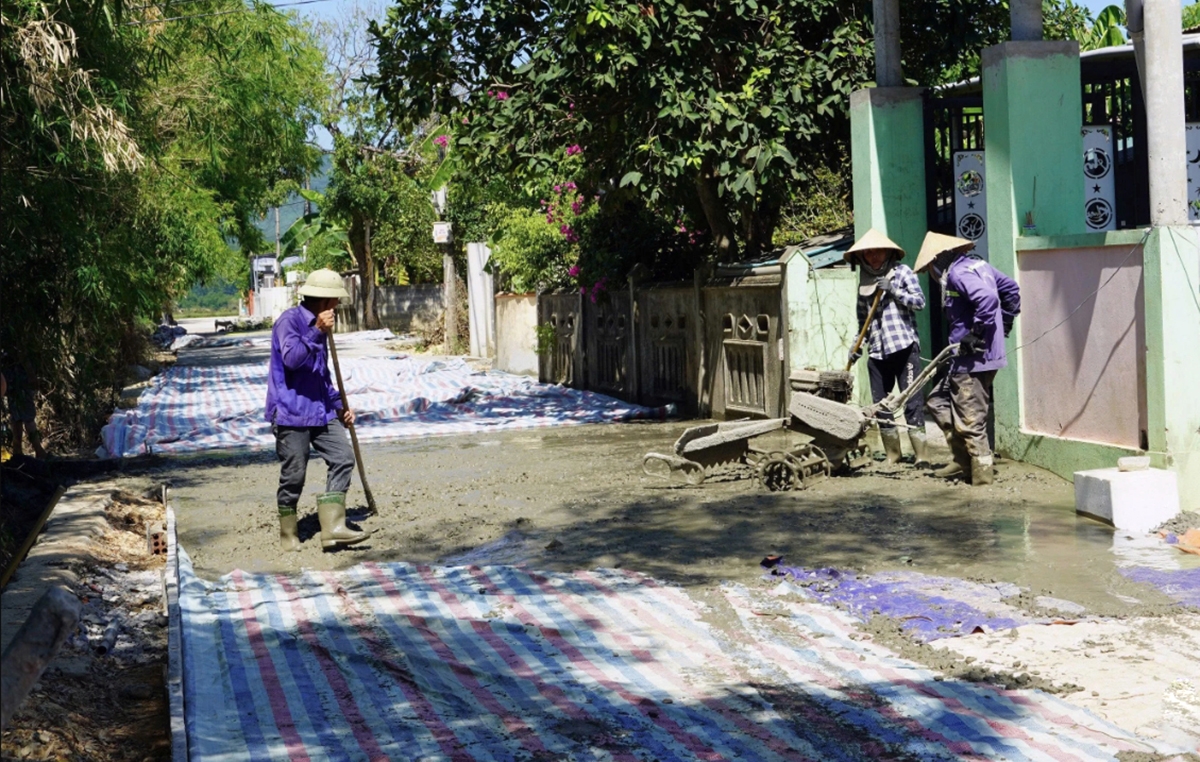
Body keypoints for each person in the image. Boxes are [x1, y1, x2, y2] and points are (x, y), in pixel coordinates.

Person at [266, 269, 369, 552]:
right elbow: (292, 360)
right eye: (335, 299)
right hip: (291, 413)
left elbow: (321, 375)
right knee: (294, 474)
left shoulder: (321, 328)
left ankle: (333, 527)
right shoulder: (290, 322)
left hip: (320, 411)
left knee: (343, 457)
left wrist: (339, 406)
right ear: (325, 301)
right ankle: (288, 534)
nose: (337, 305)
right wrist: (315, 331)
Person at [914, 232, 1021, 486]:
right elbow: (1011, 290)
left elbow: (988, 298)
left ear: (938, 260)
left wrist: (976, 332)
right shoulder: (979, 266)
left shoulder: (957, 273)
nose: (931, 272)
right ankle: (962, 460)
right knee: (938, 400)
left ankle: (982, 477)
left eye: (930, 266)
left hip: (974, 359)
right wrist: (1005, 320)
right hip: (971, 357)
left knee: (971, 418)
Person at [846, 229, 930, 466]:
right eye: (868, 253)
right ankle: (893, 454)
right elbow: (863, 323)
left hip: (904, 348)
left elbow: (919, 302)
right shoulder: (864, 280)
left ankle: (922, 455)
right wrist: (856, 347)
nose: (873, 256)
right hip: (877, 352)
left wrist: (893, 291)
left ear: (888, 252)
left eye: (877, 251)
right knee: (880, 405)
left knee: (912, 401)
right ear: (862, 257)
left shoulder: (902, 273)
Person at [3, 353, 47, 459]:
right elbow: (22, 352)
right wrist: (31, 374)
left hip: (9, 376)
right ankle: (38, 450)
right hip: (20, 377)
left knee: (16, 416)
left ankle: (17, 451)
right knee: (27, 416)